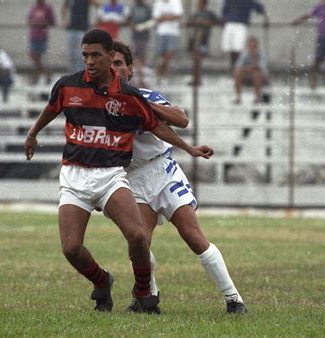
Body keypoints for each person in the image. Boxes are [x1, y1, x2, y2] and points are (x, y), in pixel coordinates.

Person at [24, 29, 213, 313]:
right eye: (85, 55)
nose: (89, 61)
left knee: (137, 236)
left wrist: (189, 149)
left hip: (111, 175)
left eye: (96, 55)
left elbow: (157, 126)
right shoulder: (68, 86)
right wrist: (33, 133)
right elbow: (52, 108)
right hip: (75, 176)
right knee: (71, 249)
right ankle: (102, 281)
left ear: (111, 56)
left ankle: (143, 292)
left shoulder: (128, 96)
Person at [111, 40, 247, 314]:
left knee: (193, 236)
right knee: (138, 243)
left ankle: (233, 299)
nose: (114, 69)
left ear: (130, 69)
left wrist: (142, 103)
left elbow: (181, 119)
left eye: (118, 64)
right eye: (109, 63)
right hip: (133, 178)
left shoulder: (146, 95)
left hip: (163, 170)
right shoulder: (101, 105)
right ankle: (149, 298)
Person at [221, 0, 269, 71]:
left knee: (238, 49)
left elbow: (259, 8)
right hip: (229, 24)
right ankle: (233, 70)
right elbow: (224, 12)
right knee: (231, 50)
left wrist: (266, 19)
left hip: (241, 25)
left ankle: (239, 69)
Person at [186, 0, 221, 86]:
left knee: (199, 59)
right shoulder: (195, 14)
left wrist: (208, 23)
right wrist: (196, 22)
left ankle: (198, 78)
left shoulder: (209, 14)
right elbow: (188, 23)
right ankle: (195, 78)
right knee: (195, 60)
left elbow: (218, 22)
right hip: (195, 39)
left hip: (204, 40)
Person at [61, 0, 100, 72]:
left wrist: (97, 20)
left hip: (82, 30)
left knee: (81, 54)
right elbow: (64, 7)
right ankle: (72, 73)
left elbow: (98, 5)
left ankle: (81, 73)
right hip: (71, 29)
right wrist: (64, 20)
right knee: (71, 54)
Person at [152, 0, 183, 83]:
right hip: (161, 32)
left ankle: (161, 72)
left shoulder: (176, 2)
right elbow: (156, 17)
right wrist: (169, 17)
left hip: (172, 32)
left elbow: (177, 16)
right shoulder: (158, 3)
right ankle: (161, 74)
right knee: (161, 54)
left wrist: (164, 17)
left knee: (169, 53)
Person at [27, 0, 56, 85]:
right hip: (33, 36)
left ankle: (36, 78)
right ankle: (47, 73)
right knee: (34, 57)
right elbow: (29, 20)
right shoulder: (34, 7)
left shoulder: (47, 8)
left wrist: (43, 23)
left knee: (39, 58)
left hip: (42, 36)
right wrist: (34, 23)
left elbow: (53, 22)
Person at [233, 36, 268, 104]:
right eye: (250, 46)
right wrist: (249, 68)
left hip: (260, 78)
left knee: (257, 74)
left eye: (254, 46)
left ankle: (257, 98)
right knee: (237, 73)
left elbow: (261, 67)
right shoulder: (245, 53)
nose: (252, 48)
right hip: (247, 76)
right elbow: (238, 66)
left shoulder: (261, 53)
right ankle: (238, 97)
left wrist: (251, 67)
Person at [128, 0, 152, 88]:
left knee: (141, 56)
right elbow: (129, 19)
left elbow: (151, 20)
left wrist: (144, 26)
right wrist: (133, 26)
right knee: (135, 56)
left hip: (144, 37)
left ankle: (142, 79)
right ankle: (139, 79)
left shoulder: (147, 8)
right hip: (135, 37)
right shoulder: (133, 7)